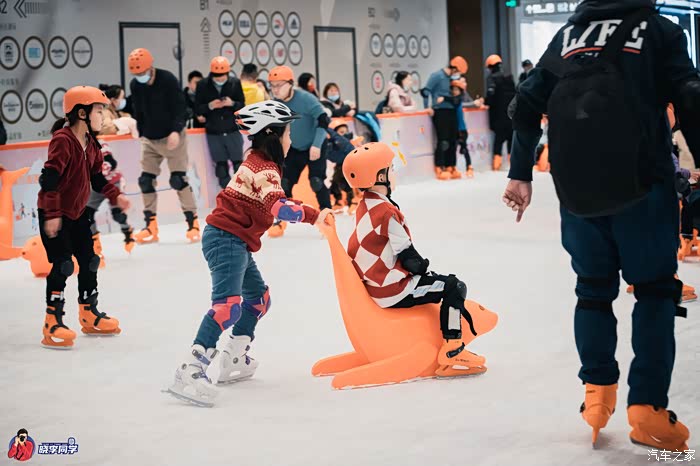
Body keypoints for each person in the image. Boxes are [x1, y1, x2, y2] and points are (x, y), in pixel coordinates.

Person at [503, 0, 700, 452]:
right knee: (654, 290)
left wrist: (519, 172)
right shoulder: (658, 30)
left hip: (577, 193)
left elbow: (525, 103)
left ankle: (597, 396)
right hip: (643, 187)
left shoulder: (567, 37)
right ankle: (647, 409)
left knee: (592, 291)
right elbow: (689, 96)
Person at [165, 101, 332, 406]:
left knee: (258, 300)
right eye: (288, 132)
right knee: (227, 307)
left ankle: (233, 357)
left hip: (234, 240)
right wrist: (315, 215)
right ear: (273, 135)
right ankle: (191, 368)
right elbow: (280, 208)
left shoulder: (259, 162)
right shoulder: (263, 168)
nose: (291, 138)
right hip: (226, 239)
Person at [342, 142, 482, 376]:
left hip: (375, 283)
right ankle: (453, 349)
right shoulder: (386, 214)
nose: (394, 173)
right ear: (380, 177)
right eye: (391, 168)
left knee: (439, 282)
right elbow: (410, 258)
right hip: (392, 290)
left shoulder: (365, 205)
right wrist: (425, 270)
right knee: (454, 287)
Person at [38, 86, 130, 349]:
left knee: (90, 261)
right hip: (54, 213)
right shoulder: (63, 140)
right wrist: (52, 214)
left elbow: (97, 178)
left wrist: (116, 196)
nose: (102, 116)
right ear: (81, 113)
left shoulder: (91, 143)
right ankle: (52, 322)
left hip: (77, 213)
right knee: (63, 265)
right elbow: (49, 178)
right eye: (99, 111)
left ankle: (89, 313)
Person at [128, 47, 200, 244]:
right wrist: (139, 129)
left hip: (172, 137)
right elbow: (138, 110)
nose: (140, 77)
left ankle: (193, 223)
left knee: (178, 180)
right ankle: (150, 226)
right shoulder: (136, 85)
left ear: (150, 67)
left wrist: (176, 130)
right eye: (136, 74)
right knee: (145, 181)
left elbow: (180, 107)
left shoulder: (167, 79)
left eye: (143, 73)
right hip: (150, 139)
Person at [267, 65, 332, 237]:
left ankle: (328, 218)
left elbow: (324, 120)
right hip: (294, 148)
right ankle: (280, 220)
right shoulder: (275, 104)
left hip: (315, 145)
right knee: (284, 184)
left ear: (290, 83)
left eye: (279, 85)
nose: (275, 90)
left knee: (317, 181)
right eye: (272, 86)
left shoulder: (306, 98)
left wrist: (317, 144)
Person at [195, 56, 246, 189]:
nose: (219, 79)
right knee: (221, 170)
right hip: (214, 132)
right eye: (216, 77)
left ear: (227, 73)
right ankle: (228, 195)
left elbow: (242, 105)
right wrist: (210, 106)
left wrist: (232, 103)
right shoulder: (202, 85)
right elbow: (197, 108)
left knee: (239, 168)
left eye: (222, 76)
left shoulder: (235, 83)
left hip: (232, 130)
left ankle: (242, 195)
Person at [84, 142, 135, 258]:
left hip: (113, 183)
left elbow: (110, 162)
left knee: (118, 214)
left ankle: (127, 232)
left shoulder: (97, 144)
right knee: (87, 214)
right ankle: (95, 247)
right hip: (97, 185)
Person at [423, 56, 468, 180]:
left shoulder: (452, 79)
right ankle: (439, 166)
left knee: (453, 139)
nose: (458, 75)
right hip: (440, 111)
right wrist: (427, 107)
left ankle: (451, 165)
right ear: (454, 68)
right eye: (458, 72)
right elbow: (426, 91)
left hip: (452, 110)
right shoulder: (437, 76)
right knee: (443, 140)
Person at [485, 54, 516, 171]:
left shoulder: (492, 78)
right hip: (511, 114)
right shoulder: (509, 77)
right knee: (511, 139)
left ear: (490, 66)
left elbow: (491, 97)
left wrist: (485, 101)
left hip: (498, 115)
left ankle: (496, 164)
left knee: (498, 140)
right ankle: (513, 164)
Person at [450, 80, 473, 178]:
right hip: (454, 129)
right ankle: (454, 167)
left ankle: (469, 167)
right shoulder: (451, 100)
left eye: (456, 90)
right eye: (453, 90)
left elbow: (468, 103)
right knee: (454, 149)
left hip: (462, 129)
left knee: (464, 149)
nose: (454, 91)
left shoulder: (459, 100)